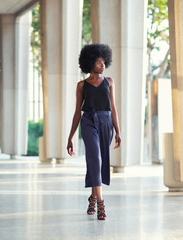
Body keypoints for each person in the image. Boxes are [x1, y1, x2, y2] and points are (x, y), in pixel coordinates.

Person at [67, 44, 121, 220]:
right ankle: (101, 203)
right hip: (89, 122)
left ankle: (92, 197)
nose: (102, 65)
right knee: (94, 158)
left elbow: (113, 109)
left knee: (98, 161)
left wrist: (118, 132)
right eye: (99, 62)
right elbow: (77, 112)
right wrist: (70, 137)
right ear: (90, 63)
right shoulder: (82, 85)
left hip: (106, 122)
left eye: (104, 61)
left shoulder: (110, 82)